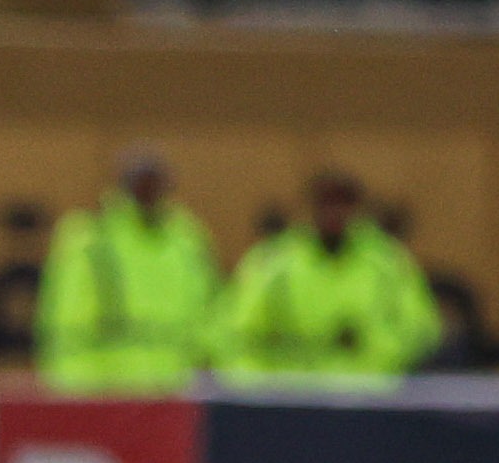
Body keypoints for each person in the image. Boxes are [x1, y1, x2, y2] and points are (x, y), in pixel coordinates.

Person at [208, 170, 439, 388]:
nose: (335, 212)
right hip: (290, 399)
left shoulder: (388, 263)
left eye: (344, 203)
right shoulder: (274, 263)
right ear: (310, 207)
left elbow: (420, 331)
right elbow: (229, 334)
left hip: (367, 399)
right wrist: (258, 390)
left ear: (358, 209)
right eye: (326, 202)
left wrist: (374, 359)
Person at [36, 148, 221, 393]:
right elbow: (67, 325)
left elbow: (210, 314)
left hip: (175, 390)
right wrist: (73, 389)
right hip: (103, 391)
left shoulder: (186, 240)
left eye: (155, 182)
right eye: (141, 181)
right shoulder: (90, 239)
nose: (149, 190)